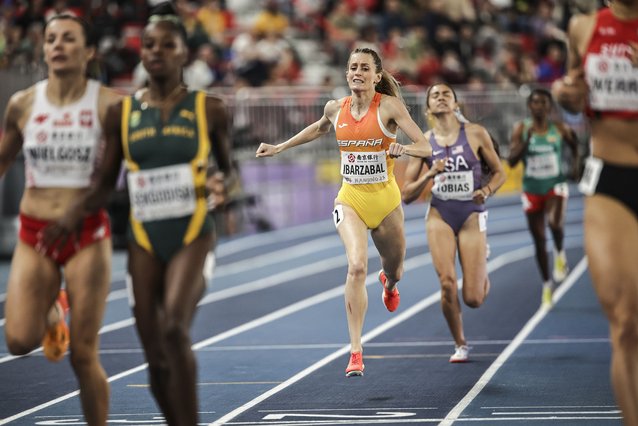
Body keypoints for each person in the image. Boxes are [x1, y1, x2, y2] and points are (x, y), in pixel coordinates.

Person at [43, 3, 235, 424]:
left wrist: (224, 188)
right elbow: (102, 185)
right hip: (144, 238)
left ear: (185, 52)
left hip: (193, 232)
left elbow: (231, 173)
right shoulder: (122, 113)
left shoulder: (210, 109)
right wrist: (68, 219)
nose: (157, 52)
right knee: (155, 364)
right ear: (141, 53)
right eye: (149, 45)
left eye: (168, 45)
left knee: (174, 331)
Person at [256, 47, 431, 377]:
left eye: (365, 68)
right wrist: (280, 147)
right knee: (355, 266)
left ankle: (389, 285)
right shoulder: (336, 108)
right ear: (347, 73)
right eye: (353, 67)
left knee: (395, 270)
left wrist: (402, 148)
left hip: (386, 202)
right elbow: (319, 128)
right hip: (350, 199)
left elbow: (425, 146)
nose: (357, 72)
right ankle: (355, 350)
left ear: (377, 76)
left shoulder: (389, 107)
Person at [0, 14, 122, 425]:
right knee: (17, 340)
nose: (57, 46)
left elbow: (119, 173)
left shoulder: (107, 104)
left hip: (86, 233)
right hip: (35, 232)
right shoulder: (23, 103)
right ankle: (53, 309)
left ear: (88, 51)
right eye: (51, 39)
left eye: (68, 39)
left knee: (84, 354)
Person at [551, 1, 638, 424]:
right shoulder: (583, 28)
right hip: (610, 178)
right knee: (625, 321)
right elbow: (571, 90)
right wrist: (564, 94)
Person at [401, 83, 505, 363]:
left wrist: (486, 190)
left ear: (456, 104)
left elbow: (499, 173)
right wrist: (428, 175)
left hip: (472, 213)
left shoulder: (475, 133)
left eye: (447, 94)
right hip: (440, 214)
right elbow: (406, 195)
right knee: (447, 283)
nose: (441, 97)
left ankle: (481, 262)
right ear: (428, 109)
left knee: (473, 298)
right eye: (435, 95)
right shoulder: (424, 142)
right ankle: (460, 343)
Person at [507, 88, 579, 308]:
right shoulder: (521, 129)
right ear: (530, 106)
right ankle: (547, 286)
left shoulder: (560, 128)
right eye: (535, 102)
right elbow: (511, 161)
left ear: (549, 106)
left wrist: (575, 167)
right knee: (539, 242)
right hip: (531, 189)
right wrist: (526, 143)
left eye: (543, 102)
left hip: (555, 184)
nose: (539, 106)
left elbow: (575, 146)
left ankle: (559, 253)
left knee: (556, 223)